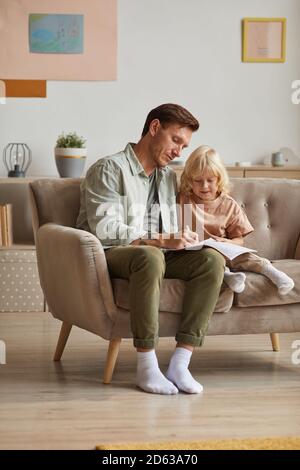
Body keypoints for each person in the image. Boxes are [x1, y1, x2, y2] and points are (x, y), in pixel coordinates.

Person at [76, 104, 225, 395]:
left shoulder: (168, 178)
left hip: (157, 255)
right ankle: (146, 365)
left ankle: (180, 363)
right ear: (154, 128)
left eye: (184, 146)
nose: (178, 151)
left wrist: (189, 238)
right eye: (175, 140)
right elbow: (105, 230)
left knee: (210, 261)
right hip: (113, 255)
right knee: (149, 255)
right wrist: (159, 239)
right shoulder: (109, 168)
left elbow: (192, 210)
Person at [178, 145, 294, 295]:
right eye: (198, 181)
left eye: (210, 180)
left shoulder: (228, 204)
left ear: (219, 179)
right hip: (196, 254)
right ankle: (228, 276)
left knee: (244, 256)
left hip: (222, 250)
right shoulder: (184, 199)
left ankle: (274, 273)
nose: (204, 186)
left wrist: (228, 242)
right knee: (208, 260)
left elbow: (239, 240)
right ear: (189, 180)